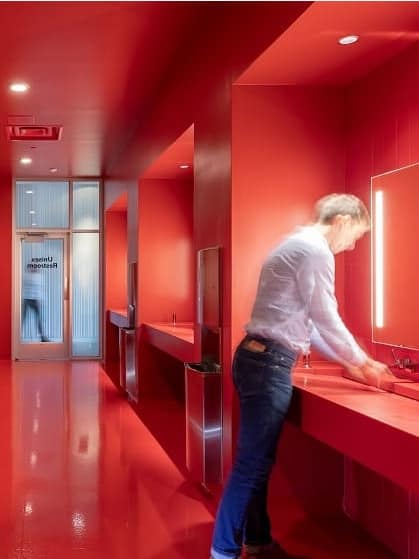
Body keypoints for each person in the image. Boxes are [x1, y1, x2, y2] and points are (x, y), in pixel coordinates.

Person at [210, 193, 394, 559]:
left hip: (253, 356)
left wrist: (351, 364)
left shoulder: (292, 243)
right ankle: (222, 551)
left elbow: (307, 329)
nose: (353, 245)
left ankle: (257, 541)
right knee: (251, 465)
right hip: (269, 365)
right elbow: (325, 316)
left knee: (257, 461)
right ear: (342, 219)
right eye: (356, 235)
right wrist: (364, 361)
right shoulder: (316, 251)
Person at [22, 267, 49, 342]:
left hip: (34, 299)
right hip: (27, 298)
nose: (34, 268)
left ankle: (43, 337)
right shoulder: (26, 276)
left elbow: (39, 289)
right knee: (21, 319)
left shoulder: (38, 276)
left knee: (39, 318)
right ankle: (16, 336)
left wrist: (40, 299)